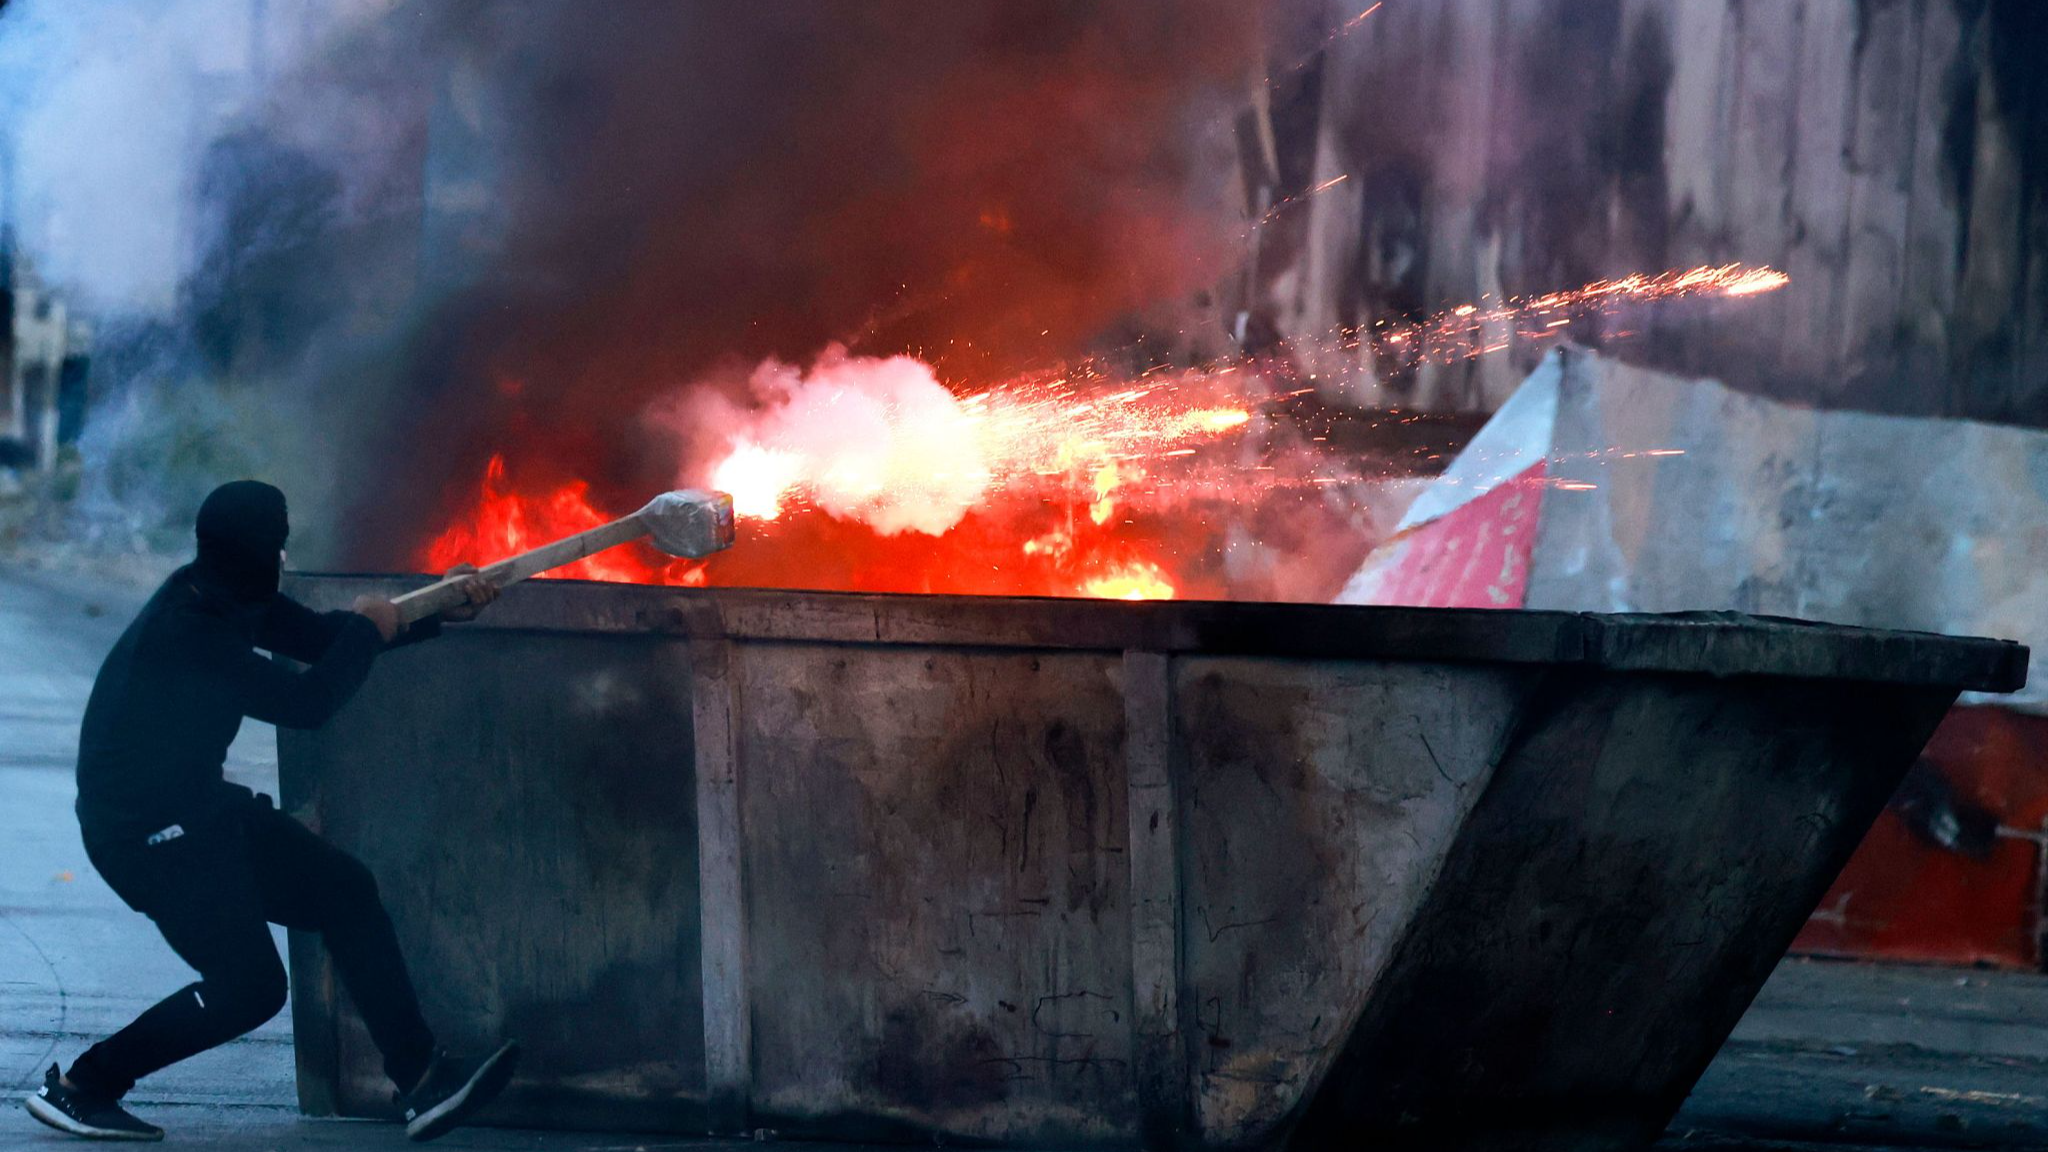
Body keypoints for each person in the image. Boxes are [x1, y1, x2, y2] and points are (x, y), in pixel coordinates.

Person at [22, 480, 518, 1143]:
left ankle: (421, 1077)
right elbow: (307, 703)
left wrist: (435, 611)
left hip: (200, 810)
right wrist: (371, 627)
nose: (280, 564)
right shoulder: (189, 629)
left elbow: (320, 639)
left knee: (345, 889)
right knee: (249, 988)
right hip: (146, 834)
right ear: (265, 551)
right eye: (278, 549)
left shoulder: (222, 593)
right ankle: (87, 1085)